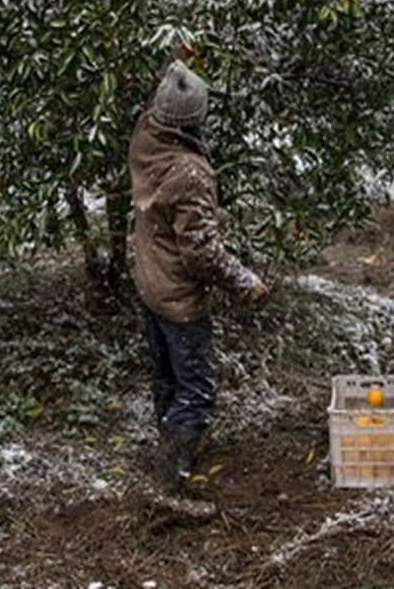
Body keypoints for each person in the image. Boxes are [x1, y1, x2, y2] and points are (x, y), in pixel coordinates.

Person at [128, 58, 269, 497]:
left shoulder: (146, 133)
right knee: (198, 389)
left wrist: (176, 64)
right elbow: (201, 252)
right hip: (178, 296)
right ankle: (169, 485)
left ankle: (171, 449)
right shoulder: (189, 172)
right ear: (194, 121)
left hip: (150, 282)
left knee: (167, 377)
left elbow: (163, 94)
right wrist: (245, 281)